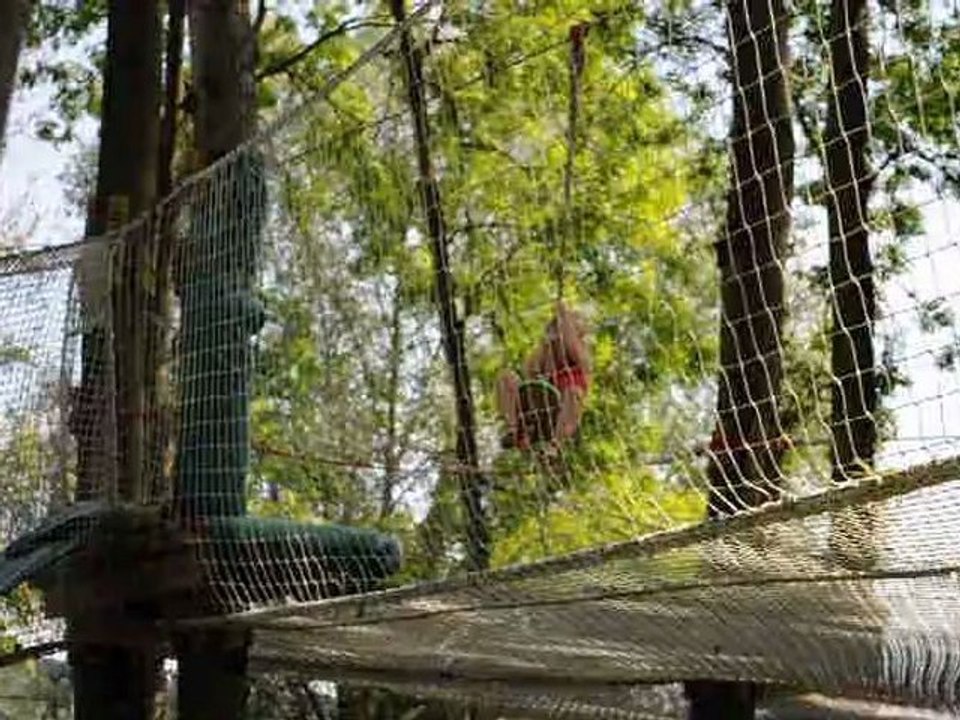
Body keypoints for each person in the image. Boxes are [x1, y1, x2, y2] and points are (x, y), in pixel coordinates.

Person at [494, 302, 590, 451]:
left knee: (573, 393)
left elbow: (573, 348)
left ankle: (555, 446)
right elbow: (529, 370)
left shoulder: (582, 354)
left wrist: (564, 316)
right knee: (505, 377)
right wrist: (546, 344)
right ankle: (514, 430)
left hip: (558, 415)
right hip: (534, 407)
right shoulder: (546, 353)